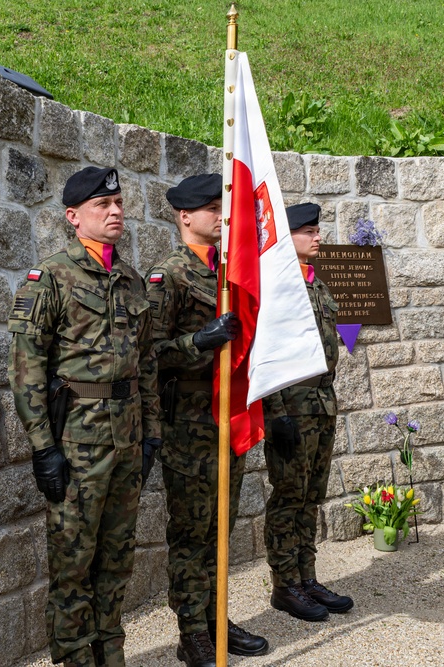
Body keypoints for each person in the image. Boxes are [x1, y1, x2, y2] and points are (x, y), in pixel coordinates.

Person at [8, 166, 161, 667]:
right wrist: (42, 448)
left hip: (127, 438)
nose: (116, 212)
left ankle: (110, 654)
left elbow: (148, 365)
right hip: (77, 444)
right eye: (103, 205)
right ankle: (75, 658)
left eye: (118, 203)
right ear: (74, 217)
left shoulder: (133, 280)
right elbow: (26, 367)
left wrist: (151, 436)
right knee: (73, 562)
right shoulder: (51, 276)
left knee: (117, 559)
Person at [145, 173, 268, 667]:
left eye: (224, 208)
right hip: (189, 426)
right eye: (212, 209)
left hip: (227, 416)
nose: (222, 217)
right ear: (185, 216)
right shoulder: (169, 276)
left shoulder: (229, 272)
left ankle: (218, 616)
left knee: (224, 524)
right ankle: (192, 629)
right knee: (193, 531)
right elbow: (148, 354)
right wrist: (200, 342)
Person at [264, 203, 353, 621]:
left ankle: (307, 576)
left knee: (311, 496)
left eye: (318, 231)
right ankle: (285, 586)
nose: (318, 237)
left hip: (321, 404)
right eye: (309, 231)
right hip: (292, 408)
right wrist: (276, 412)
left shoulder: (316, 284)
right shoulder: (279, 286)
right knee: (288, 496)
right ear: (289, 237)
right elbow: (268, 354)